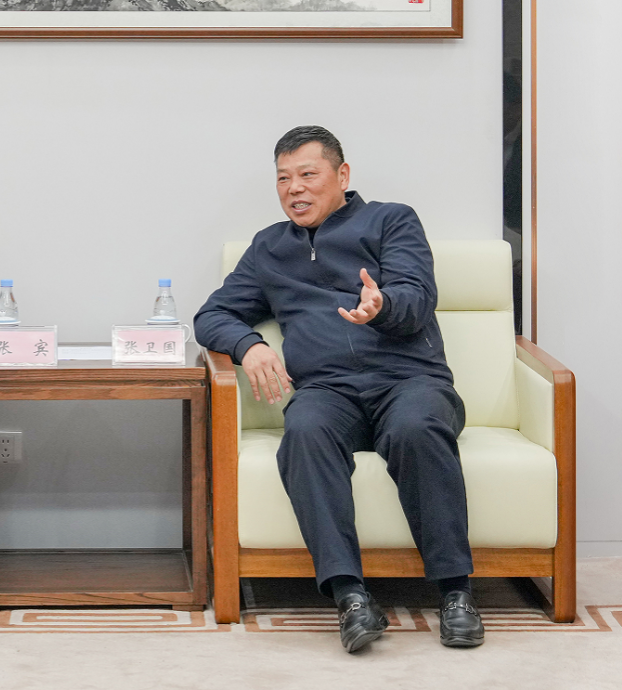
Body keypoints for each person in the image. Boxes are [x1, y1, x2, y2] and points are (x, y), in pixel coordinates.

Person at [194, 125, 484, 652]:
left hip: (409, 380)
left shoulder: (392, 219)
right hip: (327, 391)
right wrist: (248, 345)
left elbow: (416, 296)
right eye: (283, 178)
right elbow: (212, 315)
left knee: (417, 427)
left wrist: (382, 306)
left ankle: (456, 592)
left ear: (342, 174)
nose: (294, 189)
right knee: (304, 430)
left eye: (308, 174)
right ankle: (350, 597)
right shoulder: (269, 248)